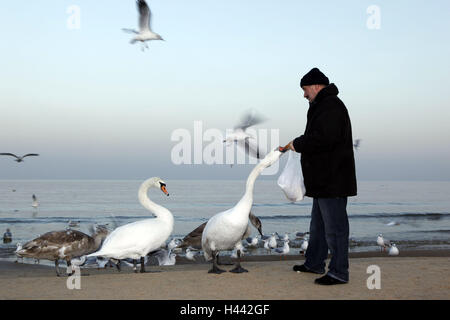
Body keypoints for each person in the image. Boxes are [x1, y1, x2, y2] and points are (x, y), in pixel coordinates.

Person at [282, 67, 357, 285]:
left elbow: (324, 138)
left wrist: (298, 143)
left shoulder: (331, 106)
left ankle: (339, 273)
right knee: (319, 227)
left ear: (315, 86)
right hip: (324, 180)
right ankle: (314, 263)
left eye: (305, 89)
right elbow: (316, 136)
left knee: (335, 229)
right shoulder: (323, 106)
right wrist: (295, 143)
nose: (304, 94)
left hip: (332, 180)